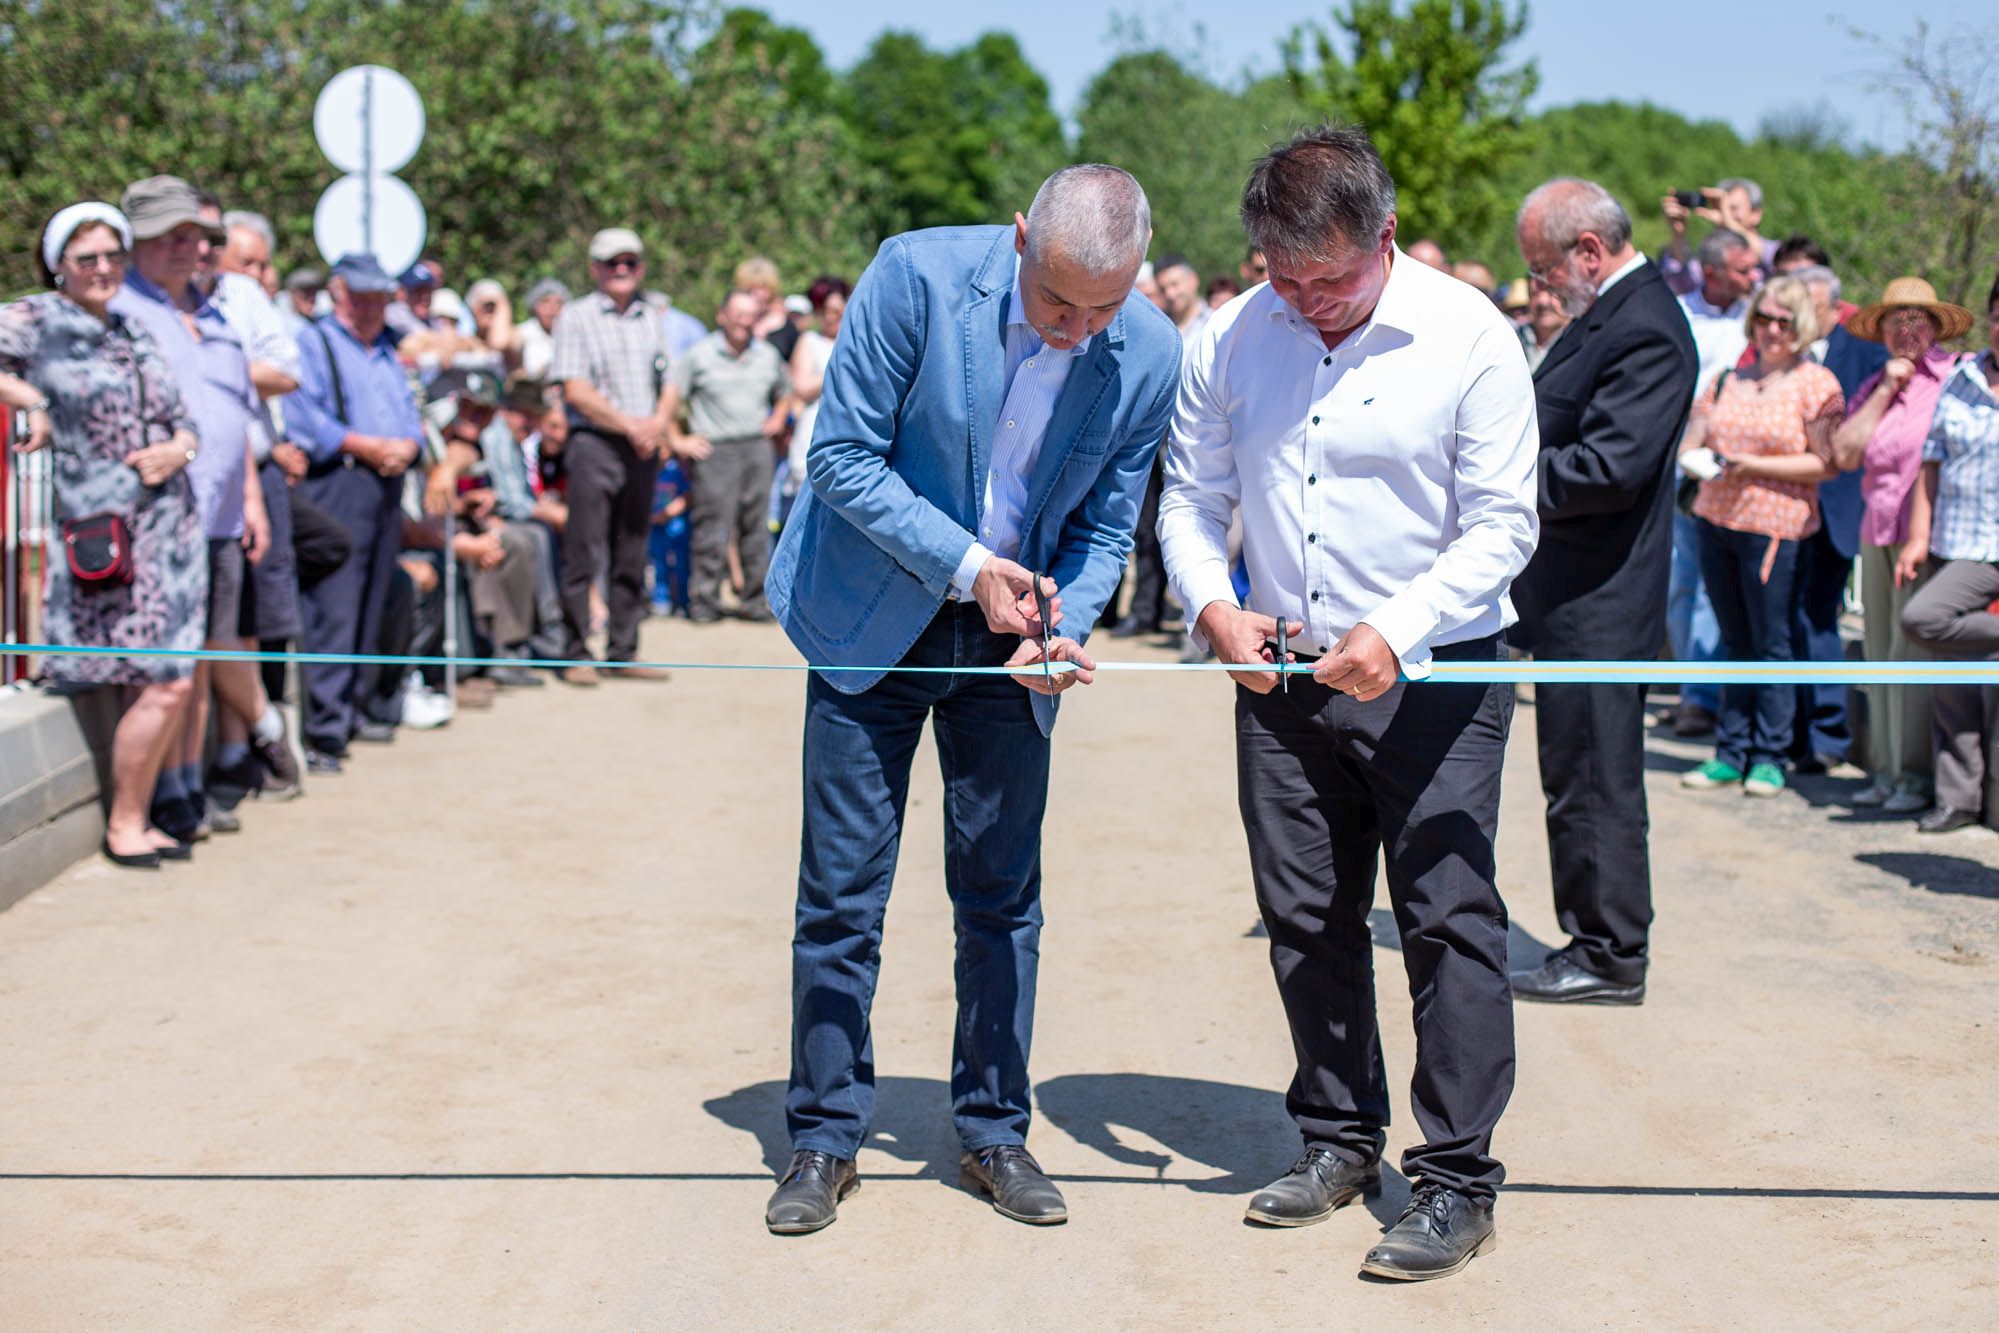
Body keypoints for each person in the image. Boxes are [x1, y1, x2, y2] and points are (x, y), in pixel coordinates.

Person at [760, 163, 1178, 1236]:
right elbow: (841, 459)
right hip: (871, 614)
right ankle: (824, 1133)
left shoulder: (1151, 350)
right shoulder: (912, 278)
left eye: (1104, 307)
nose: (1077, 330)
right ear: (1017, 238)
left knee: (1001, 896)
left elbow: (1102, 526)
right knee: (843, 895)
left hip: (1014, 642)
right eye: (1055, 303)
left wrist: (1065, 625)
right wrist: (966, 565)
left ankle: (994, 1127)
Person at [1160, 126, 1537, 1283]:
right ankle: (1333, 1138)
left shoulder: (1470, 334)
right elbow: (1190, 492)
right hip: (1277, 676)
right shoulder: (1229, 335)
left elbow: (1503, 525)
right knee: (1305, 916)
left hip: (1434, 676)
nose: (1310, 302)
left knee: (1444, 920)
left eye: (1332, 279)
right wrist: (1213, 606)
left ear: (1382, 236)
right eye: (1287, 278)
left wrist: (1399, 625)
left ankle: (1456, 1177)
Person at [1508, 177, 1698, 1007]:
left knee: (1595, 777)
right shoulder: (1610, 315)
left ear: (1589, 249)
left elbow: (1608, 467)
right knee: (1572, 772)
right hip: (1573, 596)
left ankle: (1610, 950)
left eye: (1544, 269)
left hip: (1602, 599)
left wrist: (1499, 478)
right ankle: (1594, 934)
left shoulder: (1645, 326)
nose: (1541, 287)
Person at [0, 203, 206, 868]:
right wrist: (31, 400)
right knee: (160, 678)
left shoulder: (134, 327)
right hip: (104, 535)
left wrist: (177, 449)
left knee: (167, 673)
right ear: (59, 264)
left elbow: (181, 417)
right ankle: (125, 822)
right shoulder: (39, 318)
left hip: (167, 530)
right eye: (86, 257)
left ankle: (138, 815)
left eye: (112, 256)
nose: (102, 269)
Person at [109, 176, 270, 842]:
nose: (190, 251)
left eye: (197, 239)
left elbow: (234, 414)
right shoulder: (116, 309)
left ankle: (184, 786)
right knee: (160, 667)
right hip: (153, 520)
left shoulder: (214, 313)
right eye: (173, 238)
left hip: (223, 515)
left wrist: (252, 495)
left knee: (201, 657)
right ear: (137, 242)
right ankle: (153, 798)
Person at [1676, 276, 1845, 797]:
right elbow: (1693, 438)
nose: (1772, 330)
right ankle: (1731, 750)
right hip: (1717, 519)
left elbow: (1827, 462)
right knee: (1735, 639)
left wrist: (1754, 463)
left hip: (1776, 526)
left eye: (1784, 321)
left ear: (1800, 327)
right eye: (1765, 319)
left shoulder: (1815, 384)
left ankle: (1769, 755)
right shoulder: (1729, 379)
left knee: (1771, 644)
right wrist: (1696, 459)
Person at [282, 252, 428, 769]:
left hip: (386, 484)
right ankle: (325, 728)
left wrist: (408, 447)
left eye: (379, 298)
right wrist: (367, 445)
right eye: (362, 296)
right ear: (339, 292)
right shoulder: (314, 341)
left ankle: (355, 709)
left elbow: (411, 413)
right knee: (335, 608)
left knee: (374, 600)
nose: (371, 307)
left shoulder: (387, 349)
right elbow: (306, 417)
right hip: (340, 481)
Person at [1832, 278, 1972, 812]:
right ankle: (1886, 772)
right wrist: (1888, 389)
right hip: (1876, 530)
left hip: (1926, 536)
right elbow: (1845, 454)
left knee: (1910, 656)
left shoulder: (1956, 380)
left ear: (1935, 327)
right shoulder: (1874, 385)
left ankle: (1912, 777)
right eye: (1895, 320)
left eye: (1916, 318)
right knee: (1879, 657)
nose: (1905, 329)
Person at [546, 227, 676, 685]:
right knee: (583, 548)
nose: (622, 270)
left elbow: (670, 383)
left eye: (630, 262)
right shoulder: (576, 317)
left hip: (641, 444)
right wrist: (634, 425)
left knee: (632, 548)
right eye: (612, 263)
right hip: (595, 443)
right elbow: (575, 389)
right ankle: (576, 649)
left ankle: (623, 649)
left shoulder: (653, 315)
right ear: (595, 268)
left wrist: (656, 425)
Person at [207, 207, 305, 809]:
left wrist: (212, 373)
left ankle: (243, 749)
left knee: (242, 627)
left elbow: (285, 371)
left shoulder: (240, 298)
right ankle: (249, 740)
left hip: (250, 479)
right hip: (195, 484)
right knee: (210, 633)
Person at [1894, 273, 1999, 834]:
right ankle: (1957, 799)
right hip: (1960, 543)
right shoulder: (1960, 379)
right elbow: (1929, 467)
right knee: (1933, 636)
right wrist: (1917, 537)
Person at [1788, 264, 1886, 772]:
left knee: (1819, 616)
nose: (1797, 314)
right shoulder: (1781, 354)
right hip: (1782, 512)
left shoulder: (1868, 353)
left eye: (1809, 304)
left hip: (1842, 509)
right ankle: (1792, 735)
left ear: (1832, 307)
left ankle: (1828, 736)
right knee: (1785, 622)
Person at [1666, 227, 1761, 738]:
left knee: (1712, 588)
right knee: (1682, 584)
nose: (1753, 278)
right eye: (1743, 270)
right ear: (1711, 272)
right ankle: (1692, 690)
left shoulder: (1757, 317)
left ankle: (1708, 697)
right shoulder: (1677, 312)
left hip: (1737, 470)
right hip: (1682, 468)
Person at [662, 290, 791, 623]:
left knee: (756, 527)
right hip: (715, 450)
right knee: (711, 528)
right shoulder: (700, 355)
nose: (744, 322)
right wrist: (679, 441)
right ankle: (704, 600)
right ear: (722, 316)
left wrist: (778, 417)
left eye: (751, 315)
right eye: (738, 314)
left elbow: (785, 393)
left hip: (756, 447)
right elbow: (671, 401)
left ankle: (753, 599)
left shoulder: (767, 354)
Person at [1114, 252, 1209, 639]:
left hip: (1201, 448)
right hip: (1157, 445)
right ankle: (1145, 612)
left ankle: (1198, 621)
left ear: (1193, 281)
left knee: (1200, 528)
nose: (1170, 292)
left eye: (1175, 284)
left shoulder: (1216, 327)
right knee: (1147, 531)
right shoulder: (1162, 328)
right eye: (1164, 286)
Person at [783, 276, 849, 515]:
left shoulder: (857, 341)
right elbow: (800, 386)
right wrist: (842, 368)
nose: (830, 317)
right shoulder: (810, 341)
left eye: (836, 311)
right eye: (824, 311)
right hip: (815, 424)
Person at [1659, 178, 1776, 296]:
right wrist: (1678, 235)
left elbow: (1770, 258)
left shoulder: (1776, 251)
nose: (1724, 213)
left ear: (1756, 214)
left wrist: (1728, 222)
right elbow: (1681, 284)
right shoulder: (1710, 257)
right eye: (1720, 207)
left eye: (1733, 208)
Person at [513, 278, 568, 380]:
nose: (553, 308)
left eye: (559, 303)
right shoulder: (523, 332)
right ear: (534, 305)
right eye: (545, 301)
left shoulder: (573, 334)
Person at [1518, 283, 1569, 371]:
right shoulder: (1513, 337)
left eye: (1551, 292)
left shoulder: (1583, 341)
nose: (1542, 301)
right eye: (1535, 294)